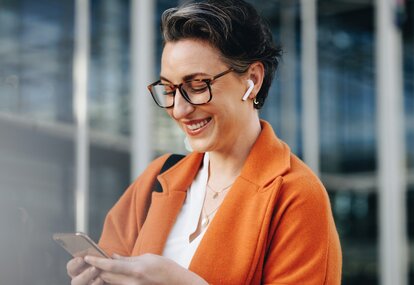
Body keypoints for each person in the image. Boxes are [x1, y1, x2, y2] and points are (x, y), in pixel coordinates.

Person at [66, 0, 342, 284]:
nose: (179, 110)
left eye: (197, 86)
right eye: (169, 90)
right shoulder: (157, 178)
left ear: (253, 80)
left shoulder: (296, 196)